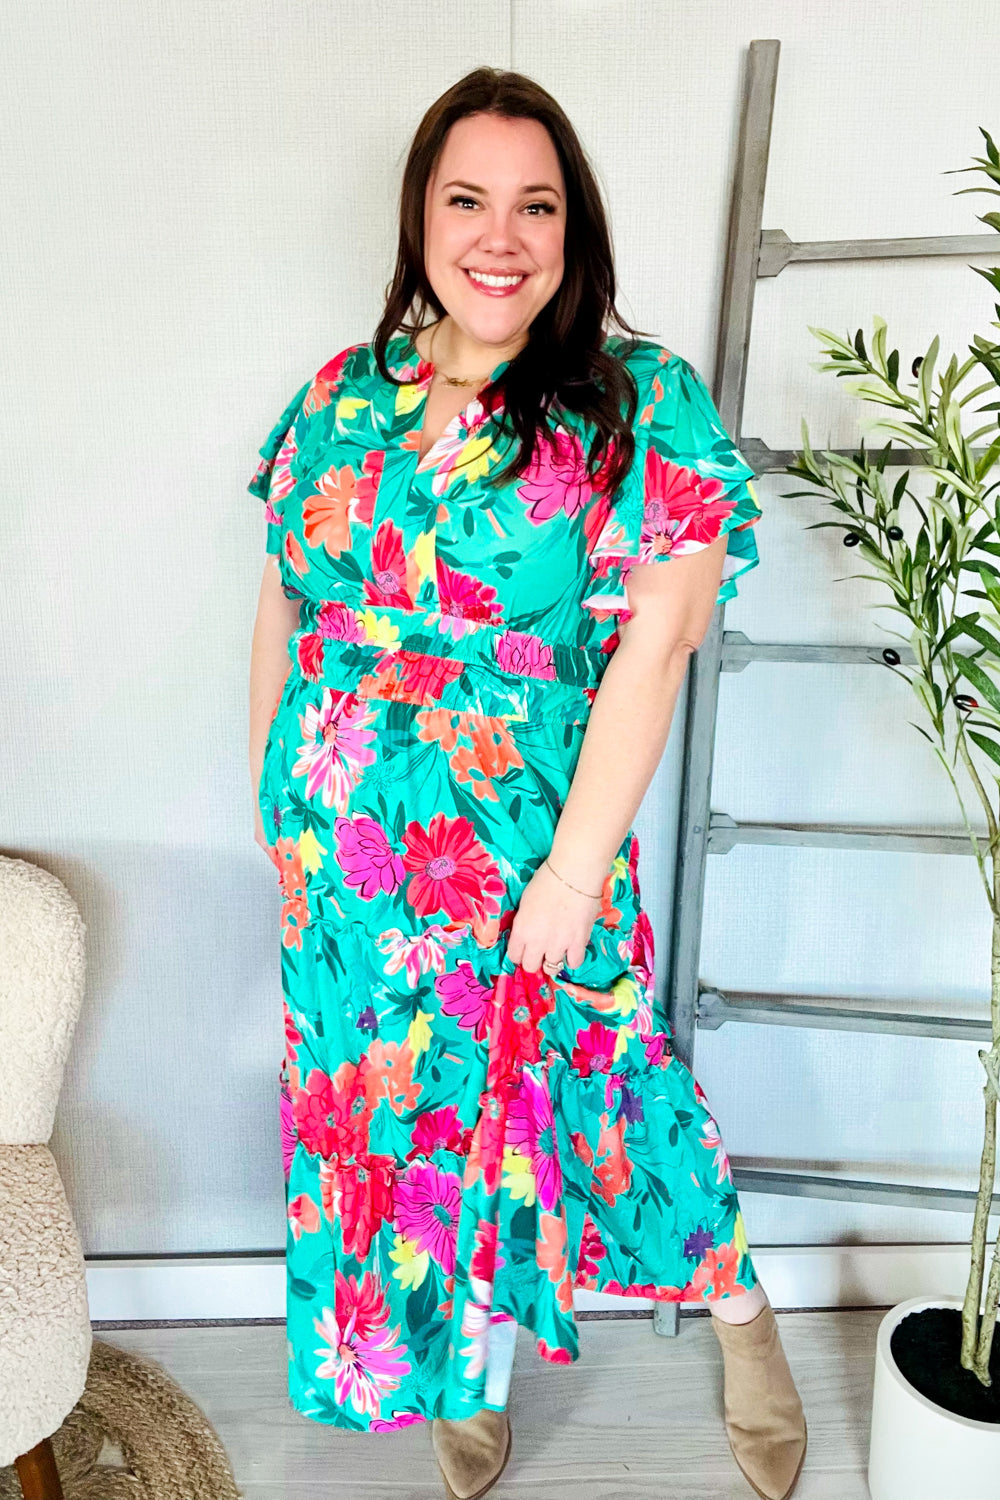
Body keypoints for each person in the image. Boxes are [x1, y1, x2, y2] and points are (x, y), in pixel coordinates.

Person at [247, 65, 806, 1500]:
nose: (500, 237)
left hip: (527, 854)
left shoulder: (638, 403)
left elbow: (659, 648)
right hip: (344, 868)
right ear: (421, 219)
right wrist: (270, 790)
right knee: (416, 1128)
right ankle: (469, 1370)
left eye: (536, 205)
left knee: (602, 1104)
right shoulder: (344, 394)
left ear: (574, 227)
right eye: (468, 200)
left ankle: (741, 1310)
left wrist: (572, 873)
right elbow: (288, 594)